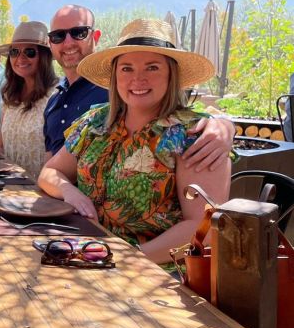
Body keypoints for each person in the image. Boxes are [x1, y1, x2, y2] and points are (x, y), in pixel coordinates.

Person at [38, 18, 230, 264]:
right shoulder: (96, 122)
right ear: (115, 75)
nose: (138, 79)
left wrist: (127, 260)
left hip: (157, 275)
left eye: (152, 67)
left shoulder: (193, 135)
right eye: (126, 68)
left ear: (172, 74)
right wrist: (68, 191)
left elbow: (204, 228)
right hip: (85, 255)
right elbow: (50, 171)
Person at [44, 4, 235, 170]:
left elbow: (203, 211)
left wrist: (225, 126)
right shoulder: (75, 109)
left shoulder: (187, 138)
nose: (137, 78)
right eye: (58, 36)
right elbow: (51, 169)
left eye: (78, 32)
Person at [0, 21, 58, 178]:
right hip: (9, 186)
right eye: (14, 52)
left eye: (29, 52)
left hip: (42, 193)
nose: (20, 58)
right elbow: (1, 147)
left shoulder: (57, 95)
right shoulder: (9, 95)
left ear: (44, 56)